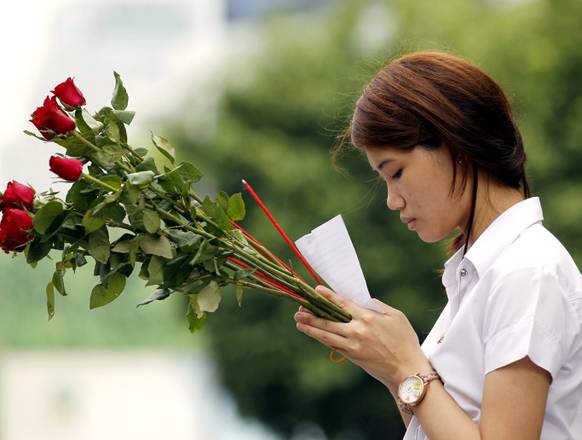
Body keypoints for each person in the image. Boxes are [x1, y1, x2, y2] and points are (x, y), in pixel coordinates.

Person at [293, 51, 582, 439]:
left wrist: (405, 365)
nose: (393, 200)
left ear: (454, 143)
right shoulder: (481, 274)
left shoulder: (526, 271)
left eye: (396, 173)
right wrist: (388, 367)